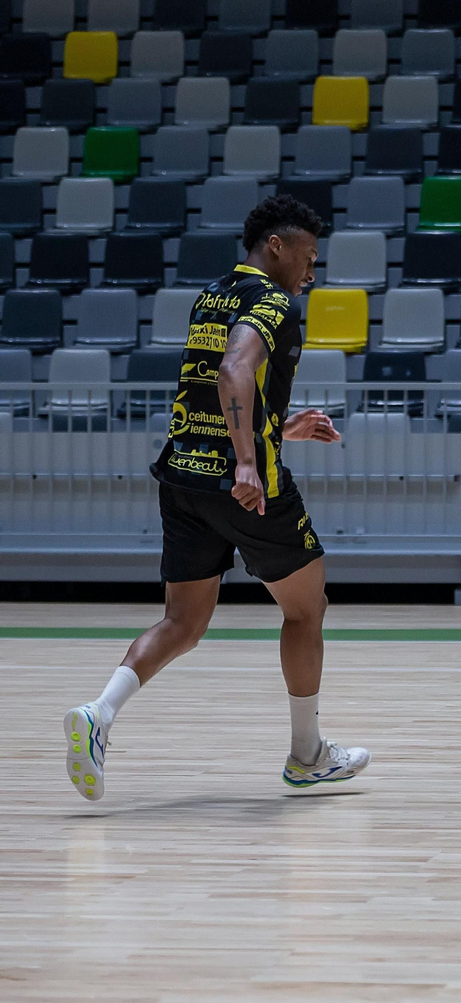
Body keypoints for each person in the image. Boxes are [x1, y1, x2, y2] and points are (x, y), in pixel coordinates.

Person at [64, 195, 369, 802]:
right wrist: (252, 462)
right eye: (308, 257)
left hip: (182, 476)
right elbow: (234, 373)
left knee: (183, 621)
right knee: (307, 608)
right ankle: (307, 756)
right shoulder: (273, 302)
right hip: (242, 485)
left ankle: (100, 713)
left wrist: (281, 429)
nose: (312, 272)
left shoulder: (213, 295)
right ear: (276, 247)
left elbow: (211, 397)